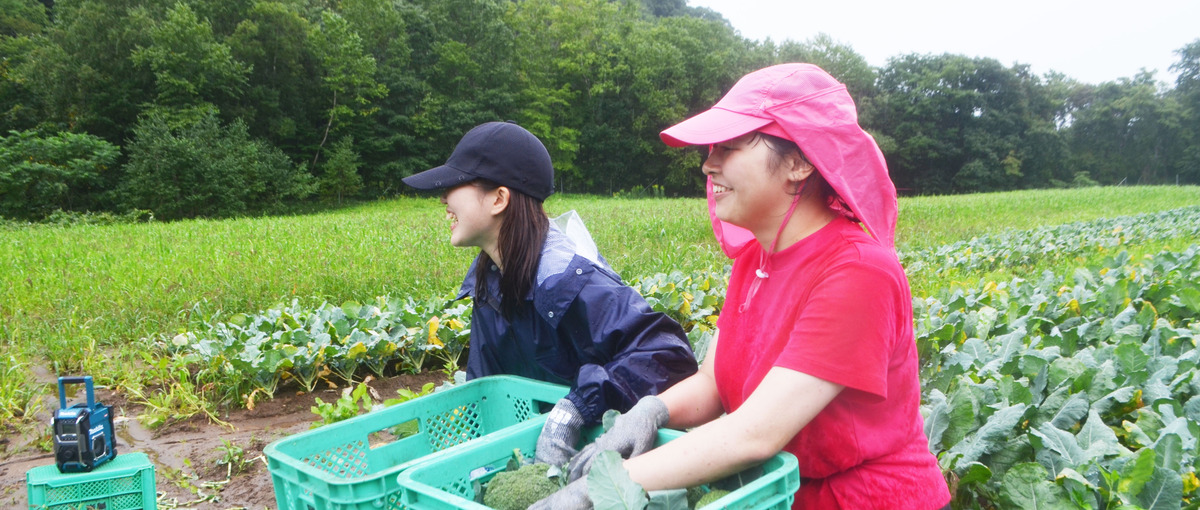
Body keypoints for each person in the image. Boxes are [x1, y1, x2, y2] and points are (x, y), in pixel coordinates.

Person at [533, 64, 951, 509]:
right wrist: (652, 410)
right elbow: (716, 380)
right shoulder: (755, 260)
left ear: (798, 162)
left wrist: (597, 488)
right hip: (779, 493)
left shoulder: (858, 272)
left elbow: (756, 432)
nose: (708, 164)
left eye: (730, 147)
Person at [401, 121, 699, 469]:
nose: (443, 199)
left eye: (454, 186)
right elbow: (487, 390)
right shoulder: (488, 283)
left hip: (612, 464)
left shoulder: (569, 280)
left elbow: (667, 355)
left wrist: (575, 410)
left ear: (499, 198)